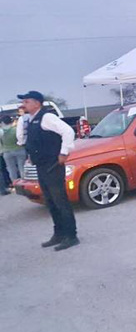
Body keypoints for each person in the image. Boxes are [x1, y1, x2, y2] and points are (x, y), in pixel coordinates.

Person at [17, 91, 78, 251]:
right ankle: (59, 233)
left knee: (60, 202)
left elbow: (68, 131)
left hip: (53, 165)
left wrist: (64, 152)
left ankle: (71, 236)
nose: (24, 104)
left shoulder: (47, 117)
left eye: (27, 101)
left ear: (37, 103)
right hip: (42, 166)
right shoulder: (31, 119)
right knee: (50, 202)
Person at [2, 116, 26, 182]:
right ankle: (24, 182)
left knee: (11, 169)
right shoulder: (16, 129)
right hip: (19, 149)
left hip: (7, 152)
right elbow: (20, 137)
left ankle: (14, 183)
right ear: (11, 121)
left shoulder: (2, 132)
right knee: (22, 167)